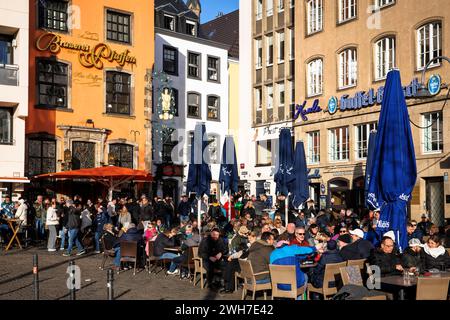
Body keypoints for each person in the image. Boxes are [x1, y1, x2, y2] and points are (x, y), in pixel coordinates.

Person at [270, 234, 316, 299]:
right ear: (287, 241)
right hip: (294, 286)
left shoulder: (272, 254)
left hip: (279, 286)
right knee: (305, 276)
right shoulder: (292, 249)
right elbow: (306, 250)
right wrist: (315, 248)